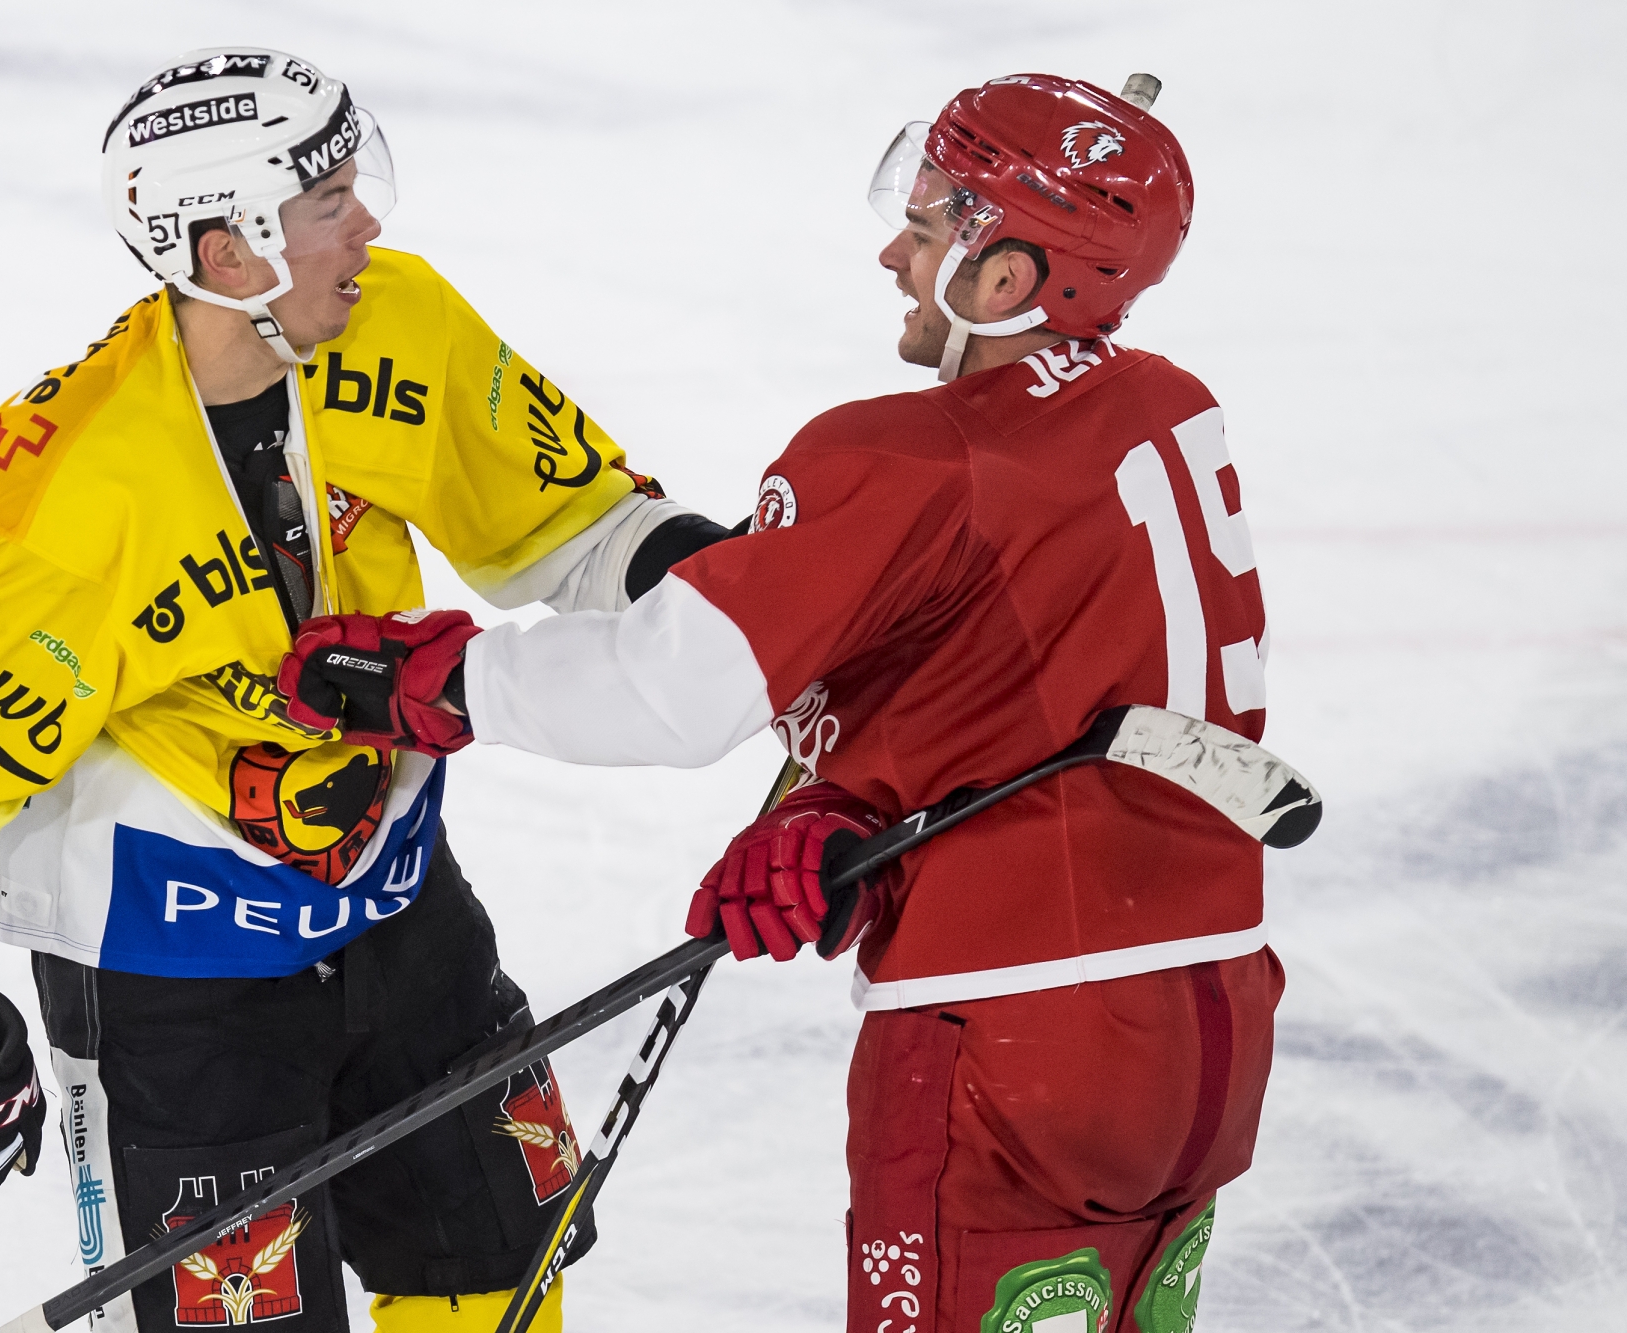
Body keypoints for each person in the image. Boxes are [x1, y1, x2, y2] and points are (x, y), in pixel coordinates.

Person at [279, 74, 1282, 1333]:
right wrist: (846, 796)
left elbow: (665, 691)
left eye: (924, 230)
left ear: (1006, 279)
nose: (892, 252)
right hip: (1208, 1018)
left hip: (1008, 1044)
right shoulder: (1167, 408)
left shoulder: (906, 456)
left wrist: (433, 682)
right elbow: (1035, 670)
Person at [0, 47, 733, 1333]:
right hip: (175, 972)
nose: (367, 222)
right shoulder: (79, 495)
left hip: (397, 898)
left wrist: (757, 595)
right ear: (230, 253)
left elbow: (572, 525)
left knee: (499, 1261)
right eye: (327, 201)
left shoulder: (400, 319)